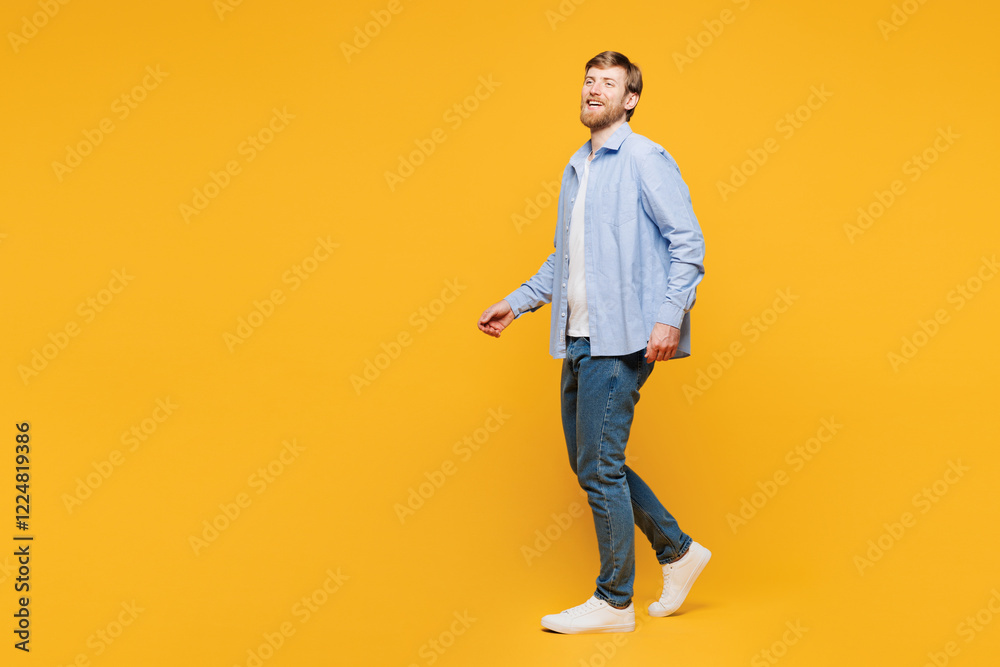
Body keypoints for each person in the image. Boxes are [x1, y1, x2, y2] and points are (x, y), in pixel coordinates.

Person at [477, 51, 711, 634]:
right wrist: (520, 300)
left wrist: (668, 317)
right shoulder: (577, 167)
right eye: (588, 80)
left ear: (629, 98)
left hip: (624, 335)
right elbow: (568, 258)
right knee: (595, 465)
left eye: (608, 83)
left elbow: (688, 244)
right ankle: (679, 552)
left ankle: (614, 602)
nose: (593, 90)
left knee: (600, 466)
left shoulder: (645, 158)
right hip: (577, 336)